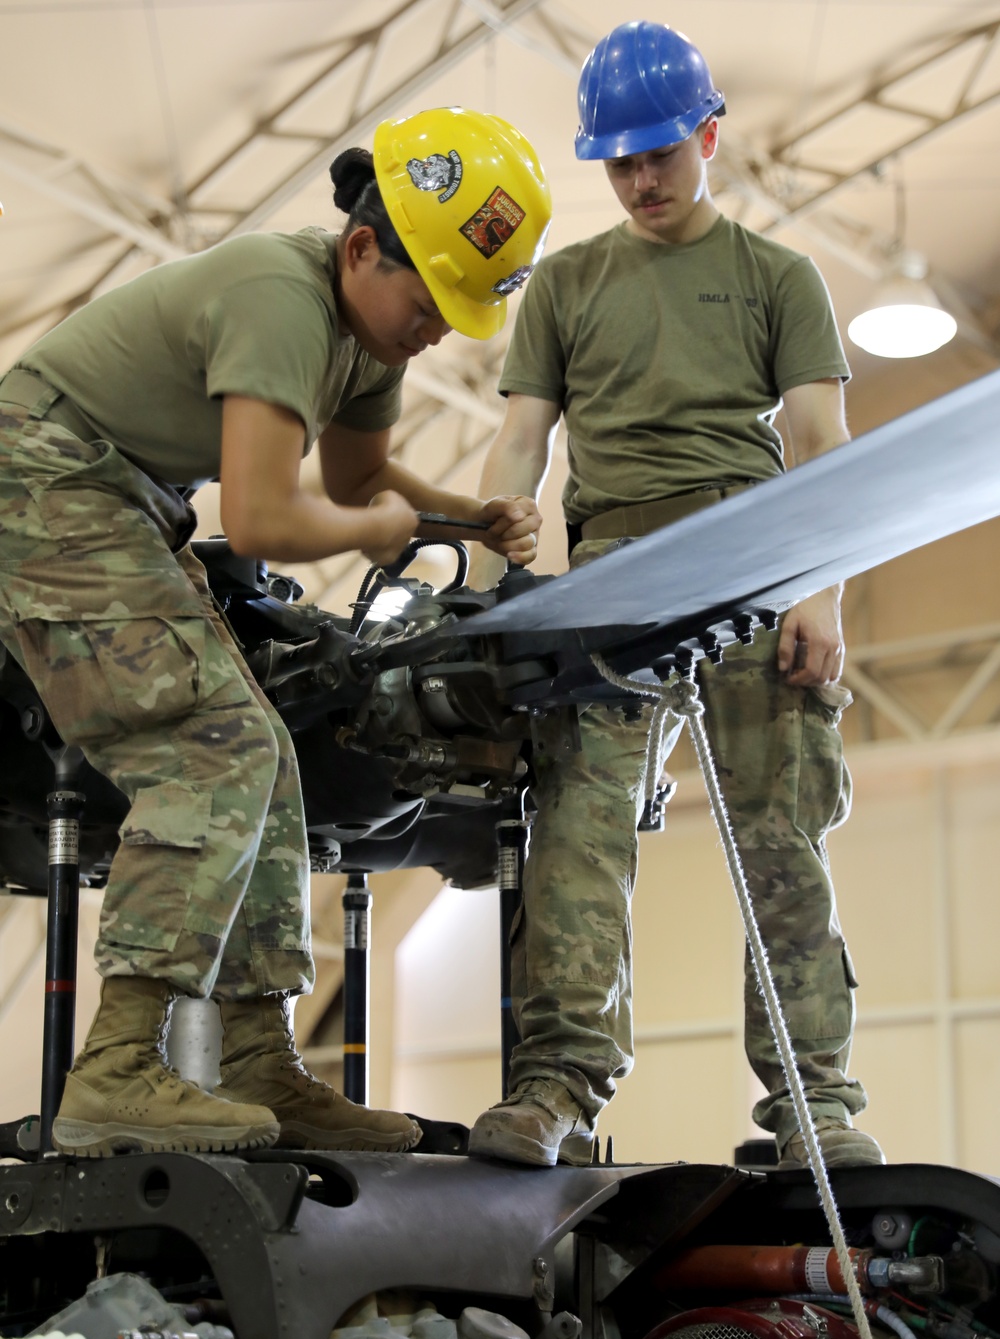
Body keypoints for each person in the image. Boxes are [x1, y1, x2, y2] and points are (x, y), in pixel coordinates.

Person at [0, 106, 548, 1159]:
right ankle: (115, 1071)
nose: (437, 328)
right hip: (48, 477)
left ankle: (259, 1061)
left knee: (271, 764)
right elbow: (261, 521)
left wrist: (458, 516)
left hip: (115, 494)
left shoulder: (366, 333)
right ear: (359, 248)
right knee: (212, 749)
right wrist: (379, 528)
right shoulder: (281, 301)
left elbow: (355, 478)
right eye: (431, 300)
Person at [466, 23, 885, 1170]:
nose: (640, 180)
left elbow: (820, 445)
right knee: (579, 833)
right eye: (618, 162)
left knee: (780, 841)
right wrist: (500, 584)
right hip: (612, 582)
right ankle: (557, 1087)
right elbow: (518, 447)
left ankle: (815, 1106)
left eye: (659, 153)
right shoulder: (564, 283)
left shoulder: (774, 278)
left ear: (707, 136)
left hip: (754, 563)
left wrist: (820, 591)